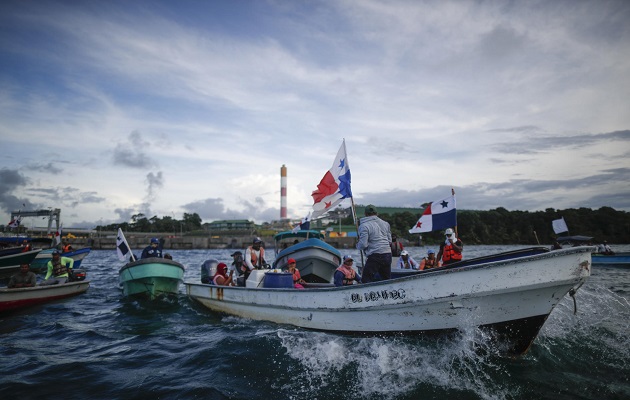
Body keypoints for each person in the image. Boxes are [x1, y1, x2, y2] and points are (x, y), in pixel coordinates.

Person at [356, 205, 392, 283]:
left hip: (375, 255)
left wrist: (357, 245)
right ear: (377, 213)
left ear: (365, 214)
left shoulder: (364, 226)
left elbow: (363, 244)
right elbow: (389, 240)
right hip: (387, 254)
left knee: (366, 280)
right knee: (386, 280)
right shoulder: (386, 224)